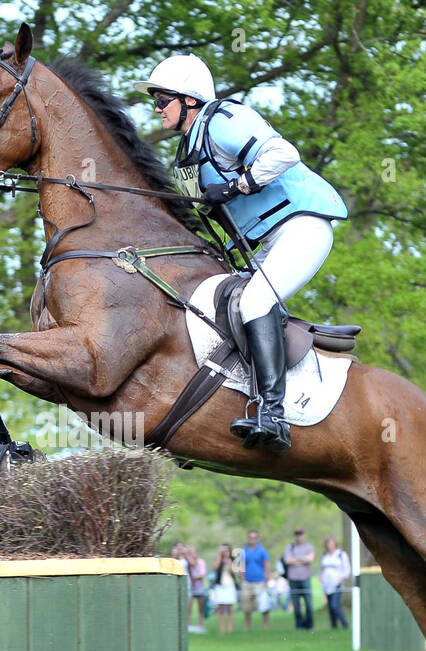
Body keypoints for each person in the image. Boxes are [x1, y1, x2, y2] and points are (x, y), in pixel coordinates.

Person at [135, 54, 348, 453]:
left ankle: (274, 413)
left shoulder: (224, 119)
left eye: (163, 99)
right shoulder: (186, 154)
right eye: (157, 101)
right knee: (216, 312)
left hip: (301, 226)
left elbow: (284, 154)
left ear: (191, 100)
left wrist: (237, 187)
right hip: (264, 244)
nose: (158, 108)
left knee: (254, 302)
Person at [239, 530, 272, 631]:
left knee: (263, 605)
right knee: (247, 606)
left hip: (260, 580)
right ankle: (247, 627)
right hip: (247, 581)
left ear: (257, 539)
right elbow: (241, 566)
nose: (252, 539)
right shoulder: (243, 551)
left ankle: (265, 626)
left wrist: (267, 577)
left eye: (254, 537)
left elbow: (267, 565)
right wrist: (241, 579)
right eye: (250, 537)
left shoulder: (262, 551)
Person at [282, 529, 315, 630]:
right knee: (296, 605)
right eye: (297, 535)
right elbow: (287, 560)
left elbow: (310, 559)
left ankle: (309, 626)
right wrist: (303, 560)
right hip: (293, 579)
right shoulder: (290, 547)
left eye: (300, 534)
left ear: (304, 535)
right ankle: (299, 625)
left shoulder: (309, 547)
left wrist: (295, 559)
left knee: (309, 604)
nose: (299, 537)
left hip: (305, 578)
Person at [320, 536, 351, 629]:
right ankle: (334, 626)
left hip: (337, 584)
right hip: (326, 585)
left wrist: (341, 579)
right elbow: (321, 569)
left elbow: (347, 569)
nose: (330, 545)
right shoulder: (325, 556)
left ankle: (345, 624)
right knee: (330, 607)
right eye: (328, 543)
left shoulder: (341, 554)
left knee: (334, 605)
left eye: (332, 543)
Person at [209, 544, 239, 634]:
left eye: (227, 550)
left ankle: (230, 629)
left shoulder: (233, 560)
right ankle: (222, 629)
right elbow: (215, 567)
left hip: (230, 586)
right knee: (220, 609)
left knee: (230, 609)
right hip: (220, 586)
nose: (225, 552)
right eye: (223, 550)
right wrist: (219, 555)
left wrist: (229, 563)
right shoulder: (219, 560)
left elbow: (234, 571)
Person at [185, 546, 208, 633]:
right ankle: (189, 627)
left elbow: (202, 573)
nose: (191, 554)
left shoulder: (200, 562)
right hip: (190, 588)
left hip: (199, 588)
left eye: (192, 552)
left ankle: (201, 626)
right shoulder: (186, 563)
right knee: (189, 608)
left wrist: (196, 576)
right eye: (189, 553)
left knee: (201, 608)